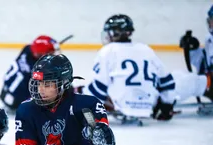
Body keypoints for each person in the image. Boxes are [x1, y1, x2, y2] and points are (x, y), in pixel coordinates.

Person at [82, 14, 212, 121]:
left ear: (113, 33)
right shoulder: (146, 49)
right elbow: (166, 81)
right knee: (180, 76)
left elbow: (98, 88)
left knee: (81, 90)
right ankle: (208, 84)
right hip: (149, 104)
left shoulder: (107, 51)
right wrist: (166, 105)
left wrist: (85, 106)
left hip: (119, 105)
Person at [0, 35, 60, 112]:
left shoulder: (27, 49)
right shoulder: (37, 70)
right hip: (16, 102)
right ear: (41, 54)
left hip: (5, 91)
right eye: (52, 52)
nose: (54, 54)